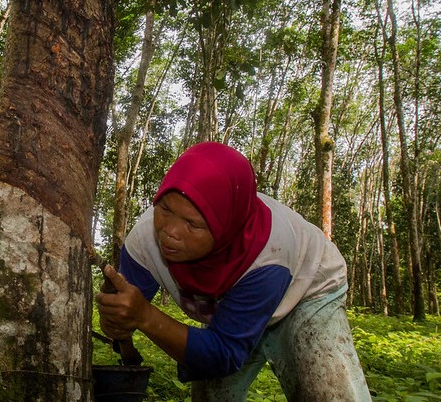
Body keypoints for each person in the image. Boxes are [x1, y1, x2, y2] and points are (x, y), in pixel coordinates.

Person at [96, 141, 372, 401]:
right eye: (165, 210)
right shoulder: (145, 239)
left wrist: (146, 316)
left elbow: (223, 353)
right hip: (228, 310)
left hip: (306, 291)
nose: (170, 232)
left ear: (226, 226)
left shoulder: (269, 255)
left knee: (331, 394)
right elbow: (121, 314)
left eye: (192, 224)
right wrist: (116, 317)